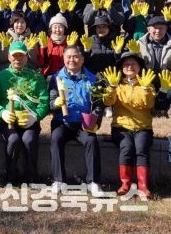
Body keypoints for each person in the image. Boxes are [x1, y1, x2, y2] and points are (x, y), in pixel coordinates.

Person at [102, 53, 171, 198]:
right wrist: (112, 86)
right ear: (121, 68)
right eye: (126, 64)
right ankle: (125, 184)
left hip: (143, 128)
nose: (130, 66)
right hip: (121, 127)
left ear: (139, 67)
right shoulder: (117, 84)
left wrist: (145, 89)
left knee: (141, 148)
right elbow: (108, 102)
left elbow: (149, 104)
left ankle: (143, 186)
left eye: (133, 63)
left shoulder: (147, 83)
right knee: (126, 147)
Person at [0, 41, 49, 184]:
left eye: (21, 56)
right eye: (14, 55)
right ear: (9, 57)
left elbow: (44, 102)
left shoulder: (37, 77)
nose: (18, 59)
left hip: (30, 121)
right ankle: (10, 176)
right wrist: (2, 112)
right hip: (8, 122)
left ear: (27, 57)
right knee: (13, 139)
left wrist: (35, 116)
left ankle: (31, 176)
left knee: (29, 140)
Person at [49, 45, 104, 195]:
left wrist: (95, 122)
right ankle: (59, 180)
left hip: (83, 123)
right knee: (56, 138)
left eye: (75, 56)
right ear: (64, 59)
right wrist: (55, 104)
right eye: (68, 57)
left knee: (91, 140)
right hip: (62, 122)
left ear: (82, 59)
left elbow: (98, 105)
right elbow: (51, 103)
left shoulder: (93, 79)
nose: (72, 60)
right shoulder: (56, 78)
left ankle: (94, 182)